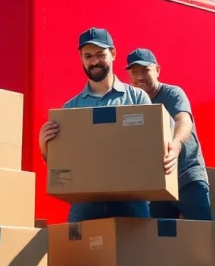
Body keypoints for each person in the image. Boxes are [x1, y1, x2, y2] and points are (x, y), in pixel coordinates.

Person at [38, 27, 153, 222]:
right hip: (85, 202)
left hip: (132, 199)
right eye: (88, 56)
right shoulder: (71, 108)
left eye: (100, 54)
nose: (94, 61)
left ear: (113, 54)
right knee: (78, 252)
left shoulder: (137, 97)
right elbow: (62, 164)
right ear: (81, 58)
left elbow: (151, 144)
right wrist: (44, 145)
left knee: (137, 252)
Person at [125, 48, 212, 221]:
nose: (139, 76)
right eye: (134, 72)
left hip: (187, 177)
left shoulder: (172, 93)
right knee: (158, 239)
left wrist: (176, 145)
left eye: (145, 70)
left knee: (202, 233)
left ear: (157, 70)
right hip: (159, 183)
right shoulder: (131, 103)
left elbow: (184, 121)